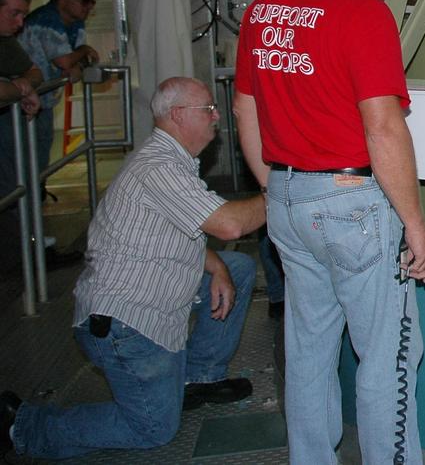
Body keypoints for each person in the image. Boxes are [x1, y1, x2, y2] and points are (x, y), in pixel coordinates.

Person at [233, 0, 425, 465]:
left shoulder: (264, 9)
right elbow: (383, 129)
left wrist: (278, 185)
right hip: (352, 206)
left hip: (288, 201)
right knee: (388, 355)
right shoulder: (363, 14)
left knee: (308, 351)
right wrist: (415, 224)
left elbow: (244, 108)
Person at [0, 77, 266, 459]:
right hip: (127, 324)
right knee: (154, 428)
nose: (216, 116)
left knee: (236, 266)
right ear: (178, 116)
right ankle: (23, 425)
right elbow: (230, 225)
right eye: (208, 109)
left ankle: (198, 377)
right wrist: (276, 192)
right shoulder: (158, 167)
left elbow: (181, 229)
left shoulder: (174, 161)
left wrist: (218, 268)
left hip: (151, 298)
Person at [18, 0, 99, 268]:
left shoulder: (73, 25)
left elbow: (73, 64)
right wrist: (84, 53)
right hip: (21, 111)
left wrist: (79, 58)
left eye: (92, 1)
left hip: (39, 107)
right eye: (84, 0)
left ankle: (34, 242)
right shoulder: (46, 20)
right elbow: (66, 62)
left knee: (36, 173)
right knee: (23, 176)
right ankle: (27, 247)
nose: (89, 7)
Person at [0, 0, 42, 271]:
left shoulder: (5, 42)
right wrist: (19, 89)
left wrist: (24, 84)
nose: (20, 22)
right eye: (14, 13)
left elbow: (34, 71)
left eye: (23, 15)